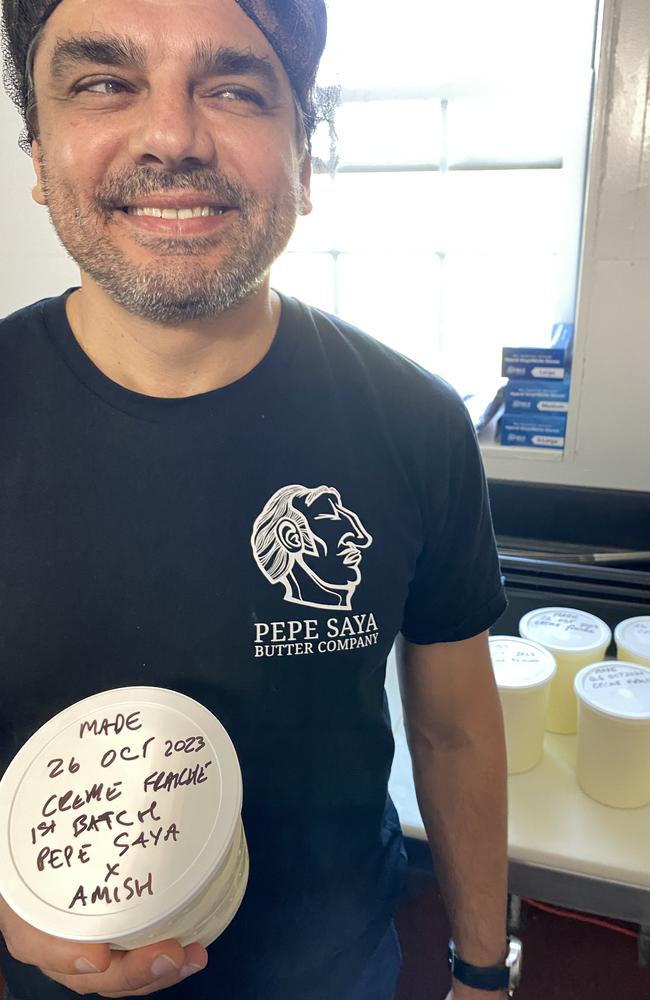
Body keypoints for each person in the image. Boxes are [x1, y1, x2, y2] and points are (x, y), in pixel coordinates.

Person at [0, 1, 516, 998]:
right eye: (105, 83)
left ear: (305, 162)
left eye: (233, 88)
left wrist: (482, 967)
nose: (170, 137)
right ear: (36, 150)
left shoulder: (414, 421)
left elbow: (451, 726)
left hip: (337, 969)